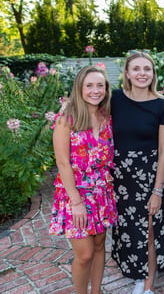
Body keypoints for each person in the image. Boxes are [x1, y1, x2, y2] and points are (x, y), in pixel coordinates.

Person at [49, 65, 118, 294]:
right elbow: (63, 163)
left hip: (102, 192)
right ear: (79, 88)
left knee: (99, 247)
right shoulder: (66, 119)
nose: (95, 90)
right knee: (84, 254)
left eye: (100, 85)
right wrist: (76, 202)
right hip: (75, 194)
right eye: (89, 85)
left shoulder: (106, 117)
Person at [111, 52, 164, 294]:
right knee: (127, 228)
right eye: (136, 69)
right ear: (126, 73)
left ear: (153, 74)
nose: (142, 73)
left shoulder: (162, 105)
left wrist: (157, 189)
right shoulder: (114, 99)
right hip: (119, 177)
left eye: (147, 69)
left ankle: (147, 285)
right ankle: (138, 274)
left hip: (149, 175)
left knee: (149, 228)